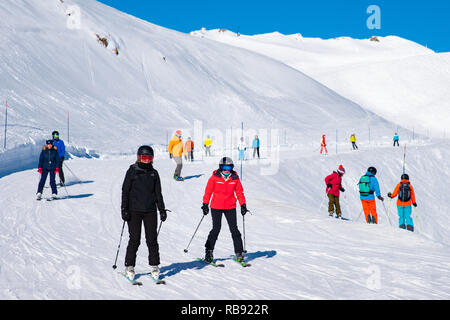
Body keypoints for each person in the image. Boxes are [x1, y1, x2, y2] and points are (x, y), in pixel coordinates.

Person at [121, 146, 168, 281]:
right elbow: (125, 191)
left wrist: (162, 210)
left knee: (152, 240)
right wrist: (124, 209)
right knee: (135, 239)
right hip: (134, 211)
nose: (147, 161)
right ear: (139, 157)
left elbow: (158, 193)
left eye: (149, 158)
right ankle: (129, 266)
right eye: (144, 158)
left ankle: (154, 266)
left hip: (150, 211)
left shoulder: (154, 173)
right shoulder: (132, 171)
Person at [202, 157, 249, 263]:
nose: (226, 169)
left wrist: (243, 205)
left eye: (229, 167)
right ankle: (208, 252)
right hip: (216, 206)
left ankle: (239, 253)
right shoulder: (214, 178)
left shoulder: (235, 178)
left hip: (230, 207)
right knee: (216, 229)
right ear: (220, 167)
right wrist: (205, 204)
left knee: (234, 230)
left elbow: (239, 193)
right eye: (224, 167)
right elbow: (208, 191)